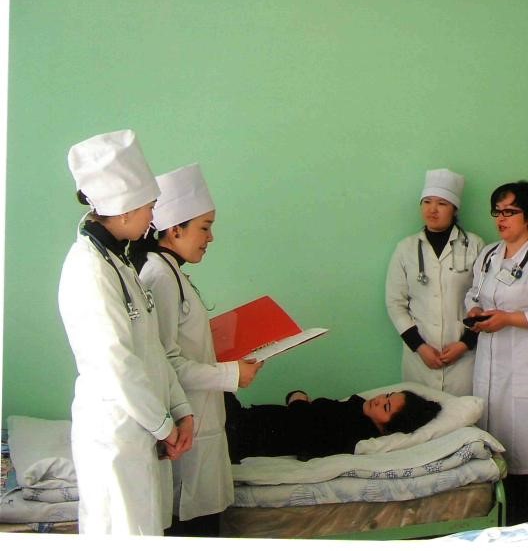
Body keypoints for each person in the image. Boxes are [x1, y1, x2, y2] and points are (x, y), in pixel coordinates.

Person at [58, 129, 194, 535]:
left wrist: (180, 409)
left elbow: (150, 347)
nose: (153, 216)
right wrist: (164, 426)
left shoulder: (119, 263)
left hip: (139, 429)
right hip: (115, 435)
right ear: (124, 210)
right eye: (150, 206)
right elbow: (115, 364)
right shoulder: (88, 270)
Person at [130, 163, 263, 537]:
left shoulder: (170, 271)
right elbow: (165, 362)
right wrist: (233, 374)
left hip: (201, 422)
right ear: (175, 229)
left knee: (204, 519)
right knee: (192, 526)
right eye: (205, 227)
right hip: (186, 425)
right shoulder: (159, 275)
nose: (211, 237)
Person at [464, 180, 528, 526]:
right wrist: (474, 310)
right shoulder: (489, 255)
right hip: (490, 366)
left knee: (525, 451)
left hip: (527, 368)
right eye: (497, 212)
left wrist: (508, 318)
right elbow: (473, 293)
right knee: (493, 451)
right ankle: (499, 525)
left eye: (510, 212)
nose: (501, 219)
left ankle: (520, 525)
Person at [385, 168, 485, 396]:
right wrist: (419, 346)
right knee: (419, 412)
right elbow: (395, 303)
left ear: (454, 208)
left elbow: (485, 299)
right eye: (427, 202)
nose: (432, 209)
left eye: (442, 203)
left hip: (464, 358)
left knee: (465, 413)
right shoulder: (406, 248)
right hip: (419, 358)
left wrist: (465, 344)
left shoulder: (475, 245)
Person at [223, 389, 441, 462]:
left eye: (386, 407)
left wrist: (298, 402)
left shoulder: (355, 432)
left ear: (387, 428)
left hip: (241, 434)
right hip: (242, 419)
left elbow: (308, 442)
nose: (379, 400)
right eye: (387, 395)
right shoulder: (354, 409)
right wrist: (297, 397)